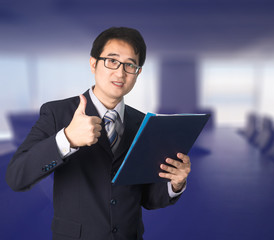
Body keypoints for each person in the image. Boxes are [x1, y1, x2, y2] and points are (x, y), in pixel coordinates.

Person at [6, 27, 191, 240]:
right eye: (112, 61)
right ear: (93, 63)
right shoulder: (58, 113)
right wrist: (66, 139)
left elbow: (147, 197)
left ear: (138, 72)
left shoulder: (143, 124)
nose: (120, 73)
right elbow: (16, 177)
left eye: (130, 65)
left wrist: (174, 184)